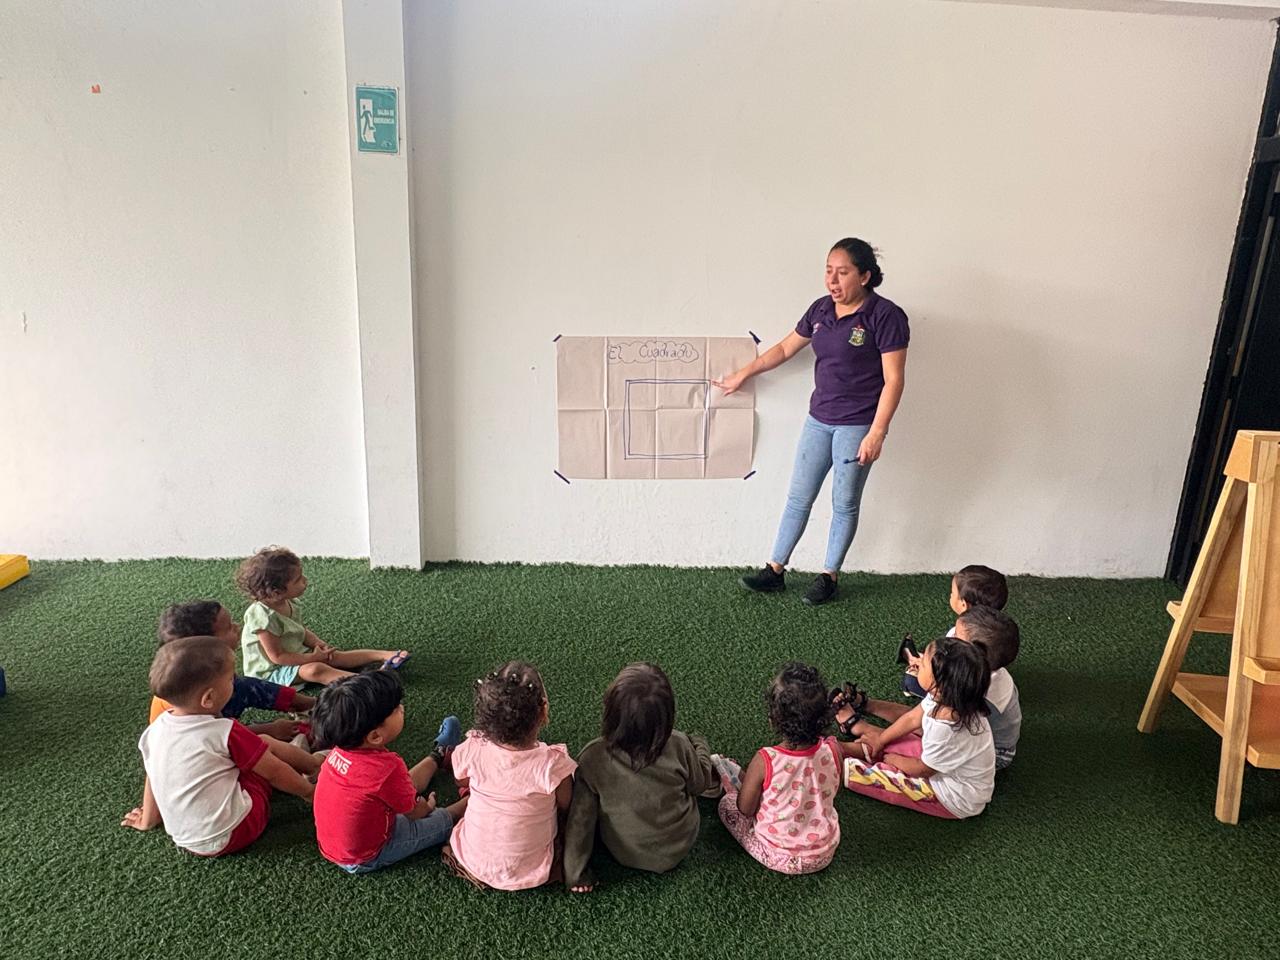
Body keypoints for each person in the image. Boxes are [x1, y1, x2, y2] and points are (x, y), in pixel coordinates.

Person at [717, 238, 909, 606]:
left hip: (857, 425)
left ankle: (828, 576)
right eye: (828, 271)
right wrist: (744, 373)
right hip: (818, 419)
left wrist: (877, 433)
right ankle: (775, 570)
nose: (832, 280)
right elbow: (785, 348)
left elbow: (894, 380)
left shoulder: (885, 316)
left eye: (843, 272)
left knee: (844, 502)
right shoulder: (821, 309)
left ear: (865, 276)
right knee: (798, 497)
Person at [120, 600, 318, 832]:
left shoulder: (160, 725)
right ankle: (316, 765)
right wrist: (310, 793)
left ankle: (313, 711)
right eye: (228, 627)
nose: (237, 627)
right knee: (264, 748)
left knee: (251, 708)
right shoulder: (219, 724)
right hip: (241, 827)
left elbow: (156, 769)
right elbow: (265, 764)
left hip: (187, 838)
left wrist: (148, 820)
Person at [563, 663, 718, 893]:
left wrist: (575, 875)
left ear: (610, 713)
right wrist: (699, 745)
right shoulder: (679, 744)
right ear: (667, 717)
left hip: (625, 853)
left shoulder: (592, 757)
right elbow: (700, 784)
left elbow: (580, 822)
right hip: (679, 846)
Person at [310, 671, 465, 873]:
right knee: (441, 819)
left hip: (338, 846)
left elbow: (395, 786)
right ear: (375, 736)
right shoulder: (385, 769)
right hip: (366, 856)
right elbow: (416, 813)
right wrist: (427, 807)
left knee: (400, 785)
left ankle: (440, 755)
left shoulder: (340, 751)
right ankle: (481, 797)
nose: (402, 708)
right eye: (395, 708)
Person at [441, 661, 577, 890]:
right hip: (531, 869)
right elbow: (565, 804)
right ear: (543, 711)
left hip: (474, 860)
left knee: (473, 789)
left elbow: (460, 780)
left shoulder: (473, 748)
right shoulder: (552, 763)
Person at [841, 637, 995, 819]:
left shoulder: (947, 728)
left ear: (938, 686)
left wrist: (894, 760)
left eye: (923, 664)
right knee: (892, 741)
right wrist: (881, 740)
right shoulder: (950, 697)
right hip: (939, 764)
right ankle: (862, 737)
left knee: (878, 779)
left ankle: (838, 761)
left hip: (952, 796)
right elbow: (912, 718)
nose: (917, 662)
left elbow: (924, 769)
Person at [714, 662, 842, 875]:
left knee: (726, 805)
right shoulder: (833, 750)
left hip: (778, 856)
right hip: (824, 854)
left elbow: (745, 809)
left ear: (774, 720)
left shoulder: (766, 760)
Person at [236, 546, 408, 686]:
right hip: (270, 673)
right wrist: (311, 658)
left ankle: (383, 655)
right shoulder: (262, 617)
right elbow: (278, 657)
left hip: (295, 656)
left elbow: (299, 630)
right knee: (315, 669)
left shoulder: (288, 602)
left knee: (333, 656)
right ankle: (369, 682)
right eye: (298, 580)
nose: (305, 581)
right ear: (276, 592)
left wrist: (318, 643)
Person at [901, 564, 1008, 696]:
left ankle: (911, 659)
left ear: (963, 604)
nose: (950, 595)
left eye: (952, 593)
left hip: (962, 691)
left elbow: (948, 672)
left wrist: (923, 665)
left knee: (910, 680)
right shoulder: (999, 631)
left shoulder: (959, 639)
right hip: (987, 680)